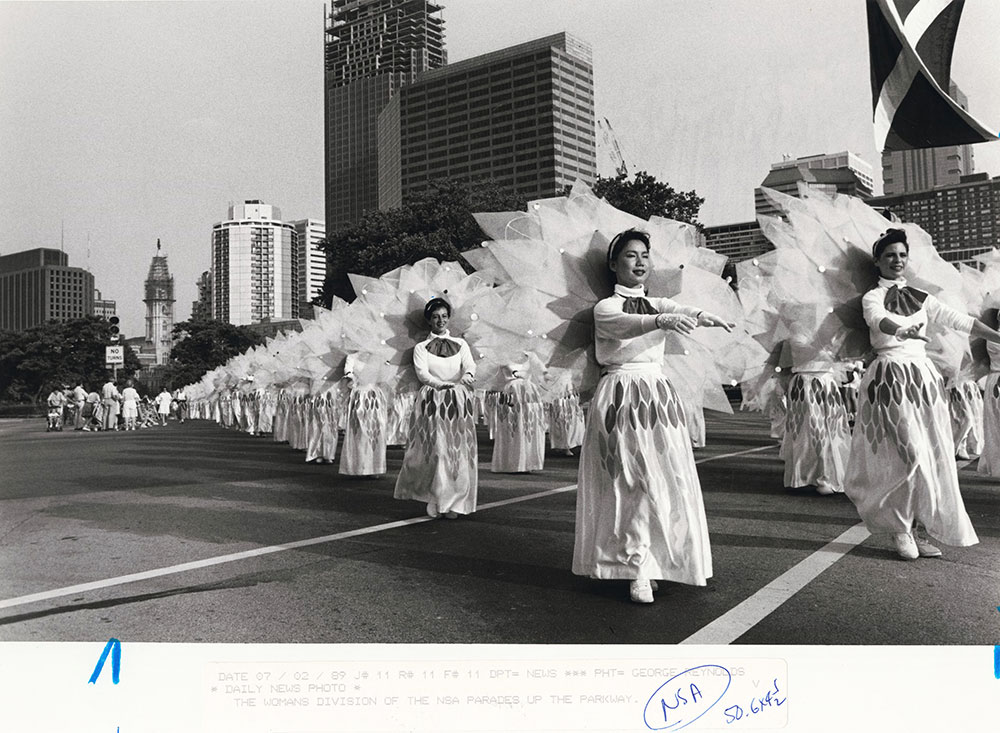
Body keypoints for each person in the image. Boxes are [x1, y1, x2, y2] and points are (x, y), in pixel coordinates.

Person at [573, 229, 734, 603]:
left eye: (645, 254)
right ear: (614, 264)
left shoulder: (658, 302)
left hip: (656, 396)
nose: (641, 261)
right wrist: (659, 322)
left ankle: (653, 560)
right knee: (630, 481)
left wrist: (706, 316)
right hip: (621, 394)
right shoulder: (606, 307)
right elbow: (625, 324)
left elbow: (679, 310)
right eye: (631, 255)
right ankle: (635, 566)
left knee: (663, 479)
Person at [844, 229, 1000, 560]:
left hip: (922, 381)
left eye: (901, 254)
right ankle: (900, 528)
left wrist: (997, 336)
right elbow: (878, 320)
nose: (897, 260)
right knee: (908, 452)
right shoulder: (872, 297)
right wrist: (900, 330)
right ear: (877, 261)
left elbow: (961, 321)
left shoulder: (921, 296)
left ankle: (916, 526)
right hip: (889, 379)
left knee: (931, 454)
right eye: (889, 255)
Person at [394, 297, 478, 519]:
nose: (440, 320)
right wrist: (441, 385)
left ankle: (456, 501)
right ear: (429, 321)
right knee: (437, 451)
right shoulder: (421, 348)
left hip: (458, 401)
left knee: (458, 452)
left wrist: (467, 376)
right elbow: (422, 373)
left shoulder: (461, 345)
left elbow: (469, 365)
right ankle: (437, 498)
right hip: (432, 400)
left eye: (444, 316)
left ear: (449, 318)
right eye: (435, 317)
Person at [339, 353, 388, 476]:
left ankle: (374, 467)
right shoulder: (352, 357)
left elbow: (384, 377)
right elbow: (348, 372)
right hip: (359, 396)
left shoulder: (378, 356)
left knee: (376, 430)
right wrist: (351, 378)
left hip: (374, 396)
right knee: (360, 431)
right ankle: (359, 466)